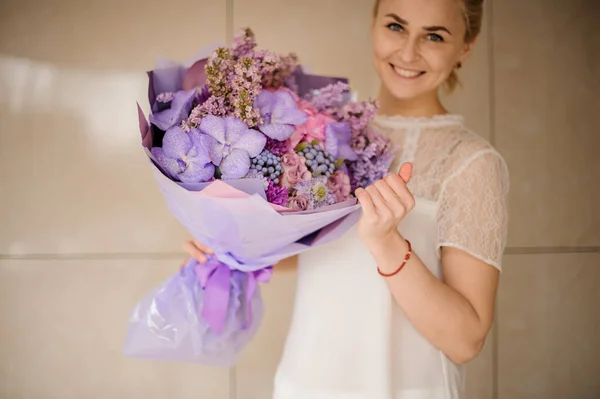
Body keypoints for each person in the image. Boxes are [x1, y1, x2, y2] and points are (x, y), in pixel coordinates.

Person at [183, 0, 509, 397]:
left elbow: (465, 341)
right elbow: (320, 251)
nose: (407, 53)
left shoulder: (471, 161)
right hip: (308, 380)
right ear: (373, 24)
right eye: (395, 26)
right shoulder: (321, 128)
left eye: (434, 36)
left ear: (466, 47)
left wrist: (388, 244)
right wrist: (232, 247)